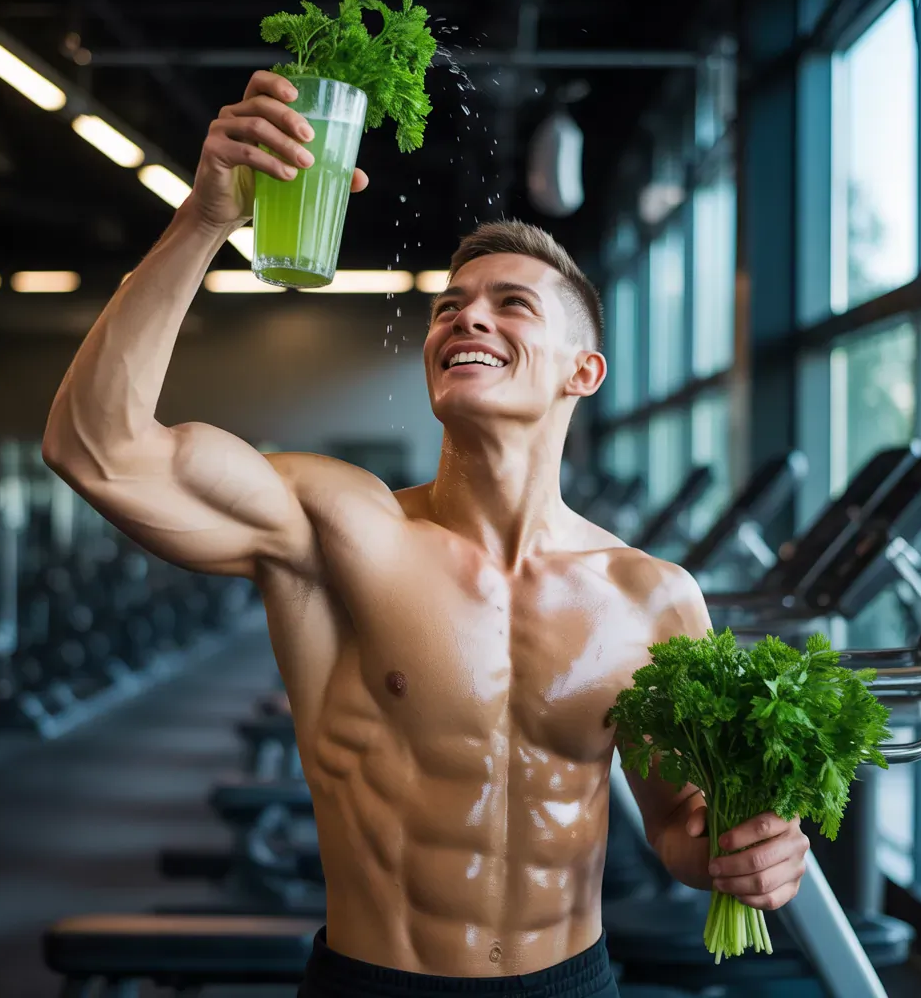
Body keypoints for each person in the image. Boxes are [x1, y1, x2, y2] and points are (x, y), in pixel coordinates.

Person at [42, 70, 809, 998]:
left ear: (584, 371)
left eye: (511, 304)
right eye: (450, 305)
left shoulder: (653, 597)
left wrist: (750, 857)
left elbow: (684, 829)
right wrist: (204, 220)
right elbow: (96, 448)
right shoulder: (338, 527)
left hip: (571, 983)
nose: (466, 314)